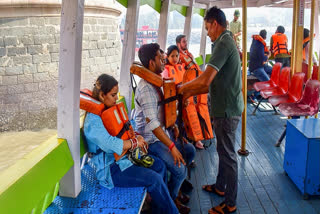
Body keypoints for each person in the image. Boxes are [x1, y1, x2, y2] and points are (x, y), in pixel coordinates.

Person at [178, 6, 244, 214]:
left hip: (226, 110)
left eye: (207, 27)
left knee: (228, 156)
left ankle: (230, 202)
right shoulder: (224, 40)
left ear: (215, 24)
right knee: (223, 151)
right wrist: (188, 90)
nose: (207, 32)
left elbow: (205, 81)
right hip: (227, 106)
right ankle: (220, 187)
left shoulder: (223, 43)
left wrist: (181, 90)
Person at [83, 74, 179, 214]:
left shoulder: (110, 110)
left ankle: (158, 208)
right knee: (154, 179)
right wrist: (135, 142)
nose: (117, 98)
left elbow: (124, 130)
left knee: (160, 166)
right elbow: (109, 144)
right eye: (113, 95)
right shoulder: (93, 120)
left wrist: (138, 138)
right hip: (111, 170)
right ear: (103, 95)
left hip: (126, 159)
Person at [134, 43, 196, 214]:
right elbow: (153, 124)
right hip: (151, 140)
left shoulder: (157, 81)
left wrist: (174, 126)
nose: (164, 60)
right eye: (160, 58)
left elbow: (163, 110)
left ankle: (170, 194)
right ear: (151, 63)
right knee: (180, 169)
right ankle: (169, 200)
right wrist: (171, 147)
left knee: (190, 151)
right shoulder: (146, 88)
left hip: (163, 131)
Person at [176, 35, 207, 150]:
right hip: (188, 88)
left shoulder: (189, 54)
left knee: (203, 106)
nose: (186, 43)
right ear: (178, 43)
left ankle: (203, 131)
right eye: (184, 42)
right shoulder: (179, 57)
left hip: (196, 85)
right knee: (192, 111)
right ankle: (196, 139)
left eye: (186, 41)